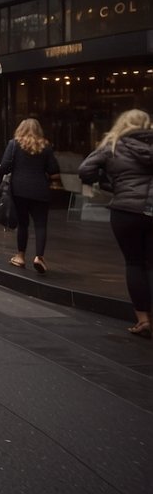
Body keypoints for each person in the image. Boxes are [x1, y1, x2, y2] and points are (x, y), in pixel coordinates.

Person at [78, 109, 153, 338]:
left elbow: (85, 170)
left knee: (134, 263)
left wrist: (110, 183)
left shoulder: (112, 144)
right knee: (151, 264)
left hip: (126, 211)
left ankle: (143, 319)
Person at [0, 118, 61, 274]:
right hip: (40, 190)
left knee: (23, 224)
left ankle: (20, 256)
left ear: (20, 129)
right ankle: (39, 257)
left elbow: (4, 166)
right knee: (40, 225)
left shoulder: (14, 144)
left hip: (19, 190)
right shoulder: (45, 146)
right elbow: (54, 170)